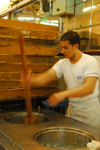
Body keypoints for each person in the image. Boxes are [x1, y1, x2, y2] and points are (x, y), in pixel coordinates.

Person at [21, 30, 100, 129]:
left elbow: (89, 88)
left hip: (90, 115)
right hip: (73, 113)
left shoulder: (89, 62)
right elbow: (45, 77)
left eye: (66, 48)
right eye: (62, 47)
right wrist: (31, 79)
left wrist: (64, 94)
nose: (62, 51)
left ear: (76, 46)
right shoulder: (63, 63)